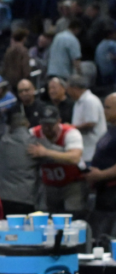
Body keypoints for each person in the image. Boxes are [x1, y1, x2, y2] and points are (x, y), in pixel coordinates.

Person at [29, 105, 87, 216]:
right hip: (49, 185)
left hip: (72, 184)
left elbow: (75, 157)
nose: (47, 128)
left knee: (73, 215)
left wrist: (46, 153)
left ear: (59, 121)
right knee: (50, 217)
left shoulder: (71, 133)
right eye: (44, 124)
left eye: (51, 124)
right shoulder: (33, 133)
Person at [0, 112, 39, 215]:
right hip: (25, 198)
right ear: (27, 124)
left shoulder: (2, 141)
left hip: (2, 196)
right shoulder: (34, 143)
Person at [85, 93, 116, 236]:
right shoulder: (111, 129)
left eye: (107, 107)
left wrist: (101, 174)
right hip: (104, 194)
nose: (104, 111)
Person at [68, 75, 107, 164]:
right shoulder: (78, 102)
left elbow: (91, 123)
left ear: (75, 88)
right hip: (84, 149)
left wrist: (71, 128)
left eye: (69, 89)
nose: (68, 92)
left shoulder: (90, 100)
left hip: (93, 150)